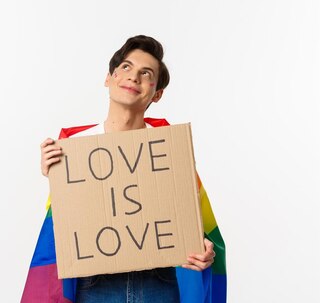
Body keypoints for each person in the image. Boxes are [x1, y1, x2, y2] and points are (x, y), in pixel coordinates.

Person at [21, 35, 227, 303]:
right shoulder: (72, 148)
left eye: (146, 73)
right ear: (109, 78)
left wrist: (204, 250)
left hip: (160, 284)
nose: (134, 77)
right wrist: (55, 177)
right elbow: (64, 229)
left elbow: (191, 223)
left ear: (157, 93)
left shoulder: (170, 149)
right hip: (95, 286)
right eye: (126, 68)